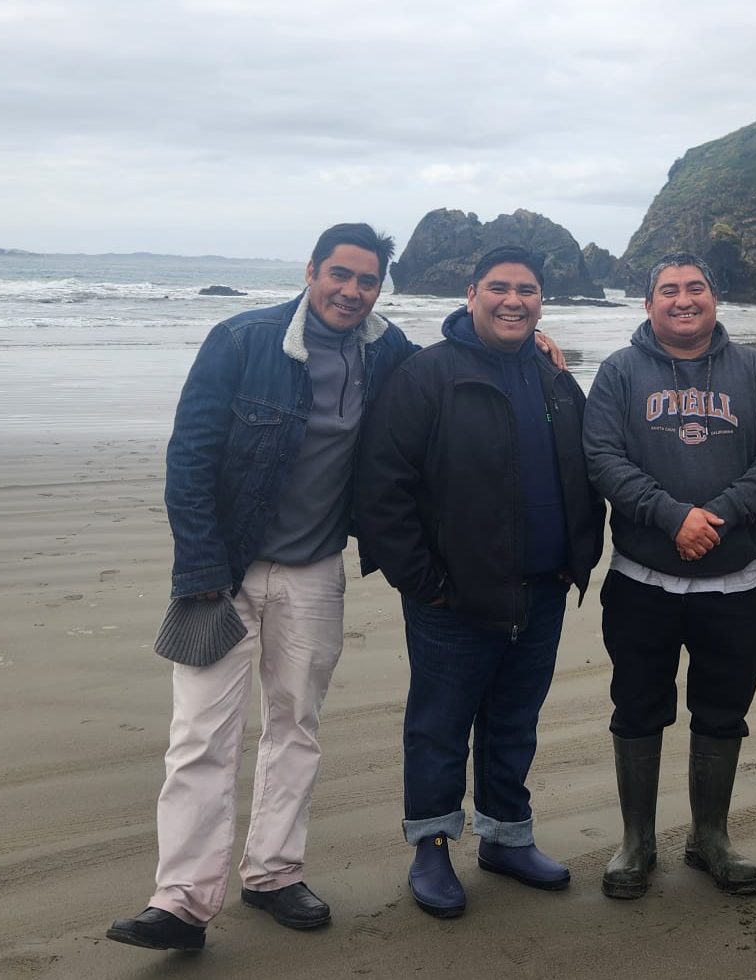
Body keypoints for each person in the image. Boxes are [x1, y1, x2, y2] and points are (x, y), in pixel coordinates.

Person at [107, 223, 416, 951]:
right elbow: (189, 460)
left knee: (295, 725)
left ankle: (274, 872)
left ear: (380, 287)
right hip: (223, 572)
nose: (350, 290)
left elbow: (450, 372)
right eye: (339, 274)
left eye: (366, 280)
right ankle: (181, 902)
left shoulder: (388, 351)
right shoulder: (242, 341)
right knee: (198, 738)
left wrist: (531, 341)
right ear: (310, 270)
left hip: (314, 573)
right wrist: (202, 572)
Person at [355, 246, 604, 919]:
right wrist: (424, 582)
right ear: (471, 294)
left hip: (542, 588)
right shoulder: (425, 375)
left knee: (514, 723)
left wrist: (573, 557)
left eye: (527, 289)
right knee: (438, 727)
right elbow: (382, 488)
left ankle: (505, 839)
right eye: (499, 287)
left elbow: (584, 468)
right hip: (452, 597)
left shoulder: (555, 378)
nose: (513, 300)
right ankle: (431, 847)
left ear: (541, 302)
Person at [583, 252, 756, 899]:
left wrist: (720, 515)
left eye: (695, 288)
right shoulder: (620, 372)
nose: (683, 299)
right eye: (668, 290)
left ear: (714, 298)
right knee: (638, 708)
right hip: (640, 582)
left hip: (735, 586)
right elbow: (601, 456)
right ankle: (636, 842)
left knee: (721, 712)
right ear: (647, 304)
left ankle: (710, 837)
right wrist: (671, 515)